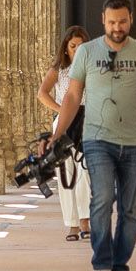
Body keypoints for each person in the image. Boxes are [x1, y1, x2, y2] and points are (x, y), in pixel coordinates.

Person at [43, 0, 136, 271]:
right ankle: (102, 264)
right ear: (102, 21)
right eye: (111, 22)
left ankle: (121, 268)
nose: (116, 27)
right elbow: (71, 96)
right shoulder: (87, 53)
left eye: (121, 21)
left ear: (130, 20)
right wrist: (58, 135)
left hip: (134, 140)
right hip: (97, 139)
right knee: (102, 200)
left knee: (130, 211)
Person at [38, 25, 89, 240]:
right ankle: (72, 224)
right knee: (65, 173)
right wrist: (62, 110)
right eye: (73, 46)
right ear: (66, 49)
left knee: (85, 171)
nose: (77, 50)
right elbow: (42, 93)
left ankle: (86, 220)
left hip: (88, 120)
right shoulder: (59, 70)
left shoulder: (92, 68)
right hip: (64, 122)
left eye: (81, 46)